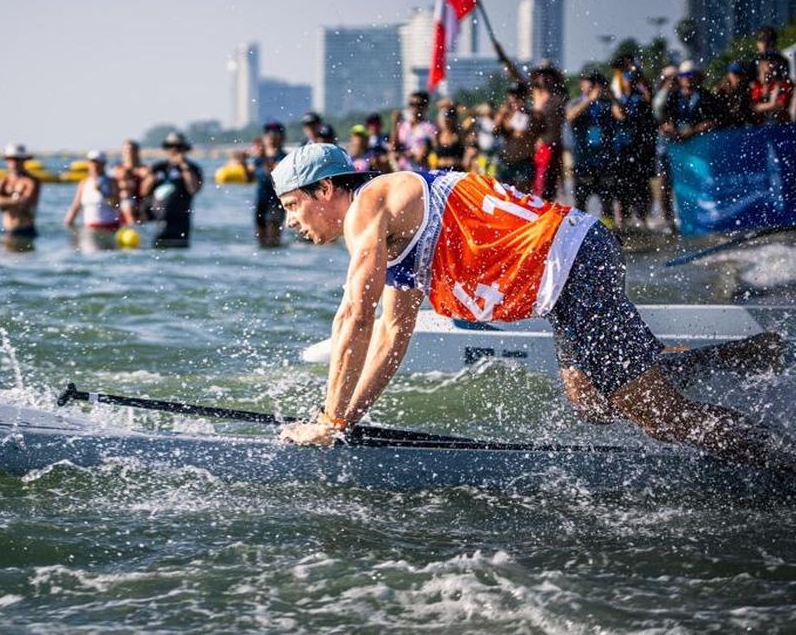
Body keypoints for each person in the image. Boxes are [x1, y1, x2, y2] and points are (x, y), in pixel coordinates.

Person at [269, 143, 795, 473]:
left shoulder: (370, 205)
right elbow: (389, 337)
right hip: (570, 268)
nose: (291, 220)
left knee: (661, 417)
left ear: (327, 189)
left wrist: (330, 418)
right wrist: (347, 419)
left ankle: (784, 460)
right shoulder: (395, 238)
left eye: (293, 204)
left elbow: (354, 316)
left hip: (572, 265)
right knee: (590, 403)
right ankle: (738, 357)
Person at [658, 61, 717, 232]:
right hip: (674, 146)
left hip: (698, 148)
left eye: (691, 75)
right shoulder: (673, 96)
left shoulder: (706, 96)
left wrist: (692, 131)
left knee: (700, 183)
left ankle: (702, 219)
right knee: (665, 183)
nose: (688, 79)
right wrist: (669, 128)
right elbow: (662, 118)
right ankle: (668, 222)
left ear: (698, 77)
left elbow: (714, 120)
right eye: (684, 76)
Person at [610, 65, 657, 228]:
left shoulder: (640, 100)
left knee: (640, 186)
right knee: (621, 186)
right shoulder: (621, 99)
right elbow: (617, 115)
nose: (628, 83)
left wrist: (613, 100)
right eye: (626, 80)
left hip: (638, 150)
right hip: (621, 151)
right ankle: (623, 220)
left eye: (631, 81)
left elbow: (623, 115)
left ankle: (642, 219)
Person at [566, 71, 616, 220]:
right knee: (581, 202)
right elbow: (570, 116)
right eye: (590, 82)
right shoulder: (576, 102)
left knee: (607, 202)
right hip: (583, 161)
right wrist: (589, 100)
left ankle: (609, 232)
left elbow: (622, 115)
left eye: (597, 83)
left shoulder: (607, 104)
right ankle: (579, 234)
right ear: (582, 84)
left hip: (604, 161)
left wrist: (613, 98)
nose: (594, 86)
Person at [142, 131, 203, 248]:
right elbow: (143, 191)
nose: (175, 150)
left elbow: (194, 189)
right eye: (171, 146)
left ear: (184, 149)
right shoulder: (158, 167)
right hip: (155, 223)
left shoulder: (192, 168)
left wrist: (184, 168)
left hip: (179, 225)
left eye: (179, 147)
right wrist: (151, 178)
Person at [493, 81, 543, 192]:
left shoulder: (531, 115)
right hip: (507, 161)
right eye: (512, 95)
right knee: (503, 193)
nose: (515, 98)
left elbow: (527, 133)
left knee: (522, 195)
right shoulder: (505, 114)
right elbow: (495, 130)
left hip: (524, 161)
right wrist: (502, 114)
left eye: (518, 95)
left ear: (524, 97)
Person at [528, 66, 567, 201]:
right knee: (539, 182)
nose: (544, 78)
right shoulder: (534, 95)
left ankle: (548, 208)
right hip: (540, 145)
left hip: (555, 144)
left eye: (547, 75)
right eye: (541, 75)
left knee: (552, 183)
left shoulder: (560, 97)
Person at [0, 143, 41, 241]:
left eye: (17, 159)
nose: (14, 163)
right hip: (8, 229)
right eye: (11, 159)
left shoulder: (31, 181)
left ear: (24, 160)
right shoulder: (3, 180)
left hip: (26, 230)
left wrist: (3, 201)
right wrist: (14, 200)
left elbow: (26, 202)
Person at [248, 121, 287, 247]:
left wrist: (264, 157)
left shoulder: (284, 157)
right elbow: (248, 177)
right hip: (261, 201)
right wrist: (241, 160)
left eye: (274, 134)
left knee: (273, 240)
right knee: (260, 241)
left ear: (281, 137)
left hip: (276, 201)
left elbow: (274, 174)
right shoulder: (258, 158)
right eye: (268, 134)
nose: (270, 137)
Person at [394, 92, 437, 170]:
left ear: (426, 107)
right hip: (403, 170)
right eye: (412, 104)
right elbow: (393, 147)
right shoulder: (403, 125)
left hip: (421, 171)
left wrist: (408, 154)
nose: (415, 108)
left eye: (419, 104)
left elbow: (422, 157)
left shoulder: (430, 127)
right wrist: (395, 124)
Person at [112, 140, 151, 224]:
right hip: (124, 207)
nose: (129, 152)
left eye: (132, 150)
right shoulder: (118, 169)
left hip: (141, 206)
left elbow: (149, 177)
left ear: (137, 152)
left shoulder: (145, 169)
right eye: (126, 150)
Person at [750, 52, 794, 124]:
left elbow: (780, 105)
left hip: (782, 125)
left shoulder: (783, 84)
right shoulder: (757, 86)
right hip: (761, 127)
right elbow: (753, 107)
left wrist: (762, 106)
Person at [714, 62, 755, 129]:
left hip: (740, 128)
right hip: (724, 129)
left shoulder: (746, 90)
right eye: (735, 74)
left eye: (741, 74)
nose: (738, 77)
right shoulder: (720, 91)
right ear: (728, 75)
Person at [431, 99, 466, 171]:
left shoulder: (459, 134)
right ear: (438, 118)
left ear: (454, 118)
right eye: (443, 116)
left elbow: (469, 115)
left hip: (456, 172)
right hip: (440, 172)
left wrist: (453, 104)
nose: (446, 119)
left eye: (449, 116)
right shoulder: (437, 135)